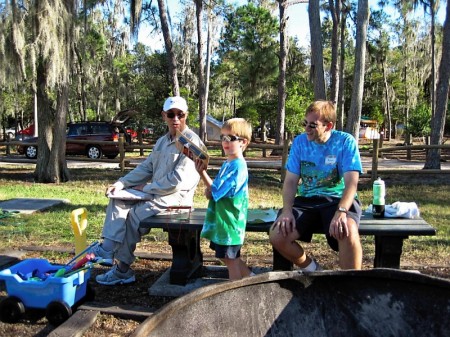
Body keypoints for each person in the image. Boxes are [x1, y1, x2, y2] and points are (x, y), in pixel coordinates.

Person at [92, 96, 205, 285]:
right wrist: (121, 183)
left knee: (134, 215)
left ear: (186, 115)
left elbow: (177, 181)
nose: (175, 119)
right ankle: (107, 249)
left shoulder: (192, 142)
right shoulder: (162, 141)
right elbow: (146, 168)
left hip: (176, 200)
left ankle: (122, 270)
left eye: (180, 114)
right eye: (171, 114)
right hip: (156, 194)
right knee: (117, 198)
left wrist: (146, 187)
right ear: (164, 116)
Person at [270, 100, 363, 271]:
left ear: (328, 126)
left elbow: (351, 184)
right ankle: (313, 270)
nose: (306, 129)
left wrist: (341, 211)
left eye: (313, 125)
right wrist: (287, 211)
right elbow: (290, 181)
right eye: (305, 123)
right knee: (278, 234)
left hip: (337, 199)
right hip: (307, 199)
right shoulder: (299, 142)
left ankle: (351, 287)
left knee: (348, 230)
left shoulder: (345, 142)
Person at [194, 118, 254, 280]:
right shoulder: (228, 163)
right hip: (222, 222)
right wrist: (209, 190)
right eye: (223, 137)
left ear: (243, 142)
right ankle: (251, 278)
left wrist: (202, 173)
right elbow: (214, 190)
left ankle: (235, 293)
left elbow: (216, 190)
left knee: (231, 260)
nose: (225, 142)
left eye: (231, 138)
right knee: (225, 257)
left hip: (231, 223)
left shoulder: (238, 166)